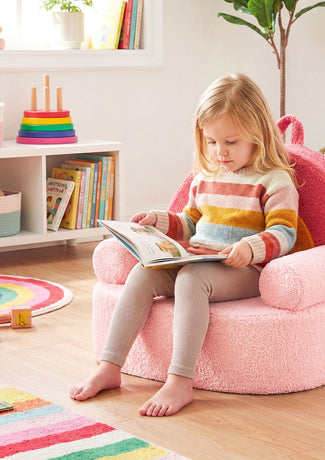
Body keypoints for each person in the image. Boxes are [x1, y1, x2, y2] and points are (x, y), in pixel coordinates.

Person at [70, 73, 301, 416]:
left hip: (242, 268)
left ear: (258, 134)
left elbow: (285, 233)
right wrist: (158, 220)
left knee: (190, 281)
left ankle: (180, 380)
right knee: (142, 274)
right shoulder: (206, 176)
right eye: (211, 142)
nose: (219, 152)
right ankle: (110, 366)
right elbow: (191, 222)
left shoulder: (274, 180)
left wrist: (250, 247)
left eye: (230, 142)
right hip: (198, 259)